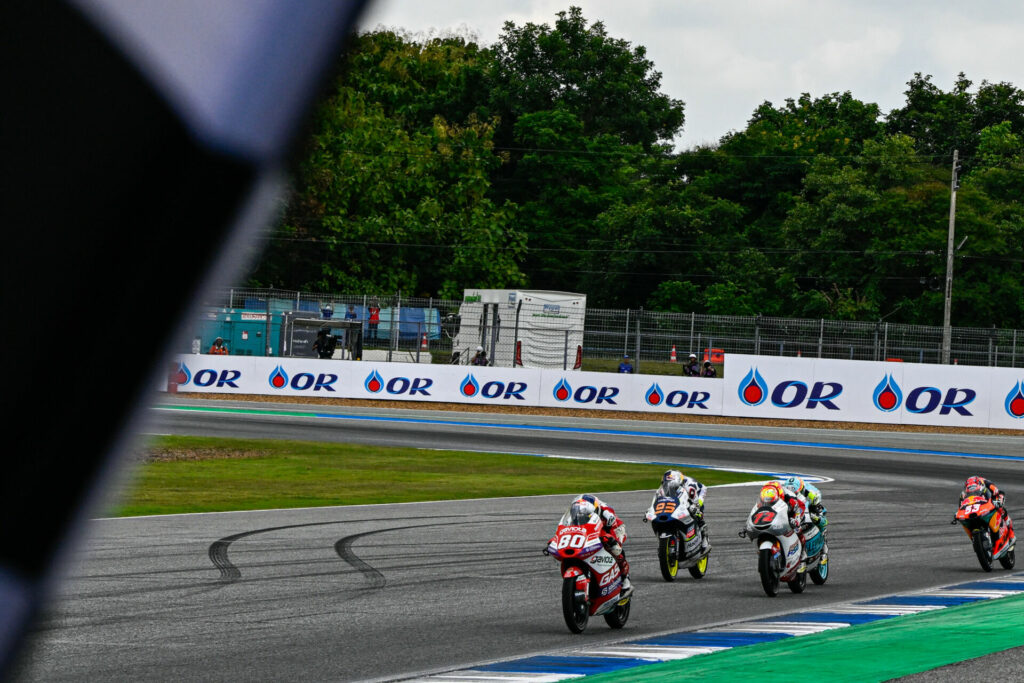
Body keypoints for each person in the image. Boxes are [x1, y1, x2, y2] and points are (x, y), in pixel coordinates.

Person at [559, 494, 631, 593]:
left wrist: (611, 541)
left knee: (615, 547)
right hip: (591, 527)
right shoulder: (575, 510)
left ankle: (624, 576)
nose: (579, 515)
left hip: (613, 526)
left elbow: (612, 530)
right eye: (577, 512)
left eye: (583, 513)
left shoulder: (607, 512)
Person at [645, 470, 709, 550]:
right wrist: (650, 509)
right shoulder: (661, 489)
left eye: (673, 485)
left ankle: (704, 538)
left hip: (699, 494)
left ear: (679, 483)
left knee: (697, 513)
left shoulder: (690, 487)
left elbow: (695, 502)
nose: (669, 486)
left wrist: (696, 506)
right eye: (666, 484)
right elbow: (656, 500)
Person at [759, 481, 811, 560]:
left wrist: (795, 520)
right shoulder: (764, 500)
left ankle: (803, 551)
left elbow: (797, 511)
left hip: (796, 510)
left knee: (797, 528)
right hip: (779, 511)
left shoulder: (790, 498)